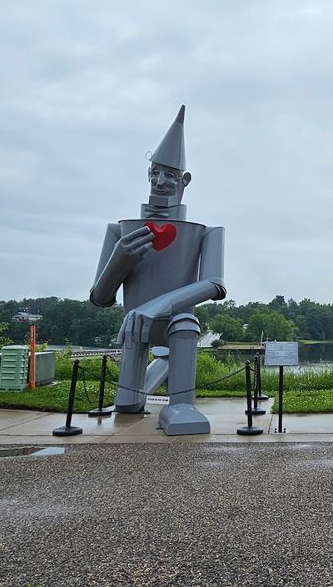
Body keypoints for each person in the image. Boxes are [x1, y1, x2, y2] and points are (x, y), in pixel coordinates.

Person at [89, 105, 226, 435]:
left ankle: (181, 405)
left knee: (184, 325)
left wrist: (157, 306)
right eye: (155, 174)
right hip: (134, 324)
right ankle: (144, 384)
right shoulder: (120, 231)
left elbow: (215, 284)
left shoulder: (206, 232)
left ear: (184, 181)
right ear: (147, 175)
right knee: (127, 403)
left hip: (176, 321)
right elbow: (100, 298)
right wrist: (119, 260)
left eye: (170, 175)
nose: (161, 182)